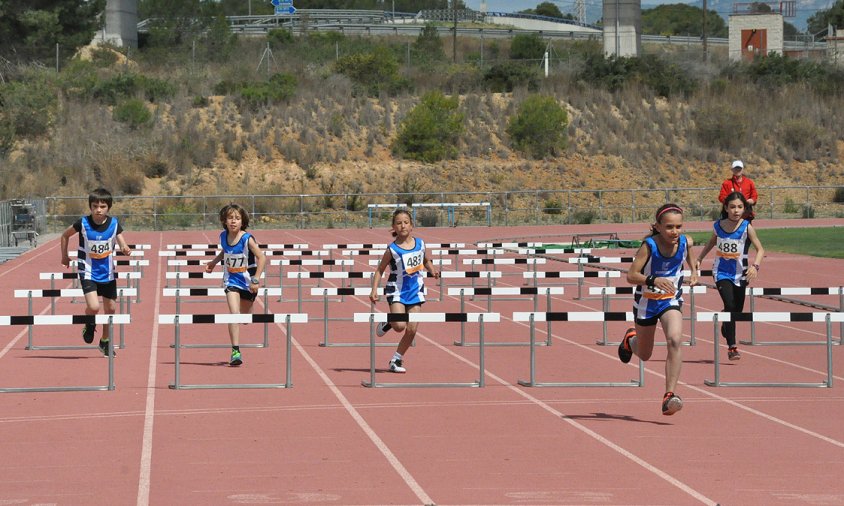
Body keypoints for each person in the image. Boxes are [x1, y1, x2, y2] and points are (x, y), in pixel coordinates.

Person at [618, 204, 698, 416]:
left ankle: (669, 395)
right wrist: (653, 279)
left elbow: (689, 252)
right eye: (670, 227)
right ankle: (630, 340)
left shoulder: (684, 241)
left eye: (679, 226)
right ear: (658, 227)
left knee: (675, 339)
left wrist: (694, 271)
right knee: (644, 354)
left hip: (670, 300)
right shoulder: (649, 246)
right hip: (646, 302)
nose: (675, 231)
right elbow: (631, 276)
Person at [60, 187, 131, 356]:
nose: (98, 210)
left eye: (102, 206)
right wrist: (64, 257)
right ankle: (90, 324)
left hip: (107, 272)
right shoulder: (82, 223)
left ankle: (105, 341)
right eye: (95, 206)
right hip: (88, 271)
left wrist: (125, 248)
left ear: (108, 207)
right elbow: (64, 235)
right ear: (90, 207)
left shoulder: (114, 224)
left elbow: (121, 241)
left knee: (111, 309)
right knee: (93, 307)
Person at [695, 191, 765, 361]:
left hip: (741, 274)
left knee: (736, 310)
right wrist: (699, 258)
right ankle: (732, 347)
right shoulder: (718, 226)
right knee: (729, 303)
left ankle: (726, 323)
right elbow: (712, 242)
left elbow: (760, 249)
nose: (736, 210)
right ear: (726, 208)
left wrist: (755, 266)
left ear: (744, 209)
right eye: (732, 207)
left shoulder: (746, 227)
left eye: (740, 207)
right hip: (721, 272)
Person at [369, 208, 440, 373]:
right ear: (393, 227)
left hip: (415, 291)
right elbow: (380, 270)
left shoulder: (421, 244)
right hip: (397, 291)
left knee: (412, 328)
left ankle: (396, 359)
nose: (403, 226)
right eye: (399, 223)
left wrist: (432, 270)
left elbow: (426, 259)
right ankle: (390, 322)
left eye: (406, 222)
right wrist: (374, 290)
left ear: (412, 225)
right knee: (400, 326)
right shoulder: (392, 249)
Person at [204, 203, 266, 366]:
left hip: (248, 282)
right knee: (234, 314)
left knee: (245, 318)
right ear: (224, 221)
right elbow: (225, 251)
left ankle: (248, 309)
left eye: (237, 218)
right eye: (230, 218)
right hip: (231, 280)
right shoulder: (223, 236)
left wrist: (256, 279)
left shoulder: (247, 239)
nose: (233, 221)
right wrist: (213, 262)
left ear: (242, 221)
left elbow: (262, 258)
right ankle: (235, 351)